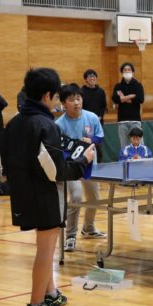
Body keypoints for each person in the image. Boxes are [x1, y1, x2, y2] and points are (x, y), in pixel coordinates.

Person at [2, 67, 95, 306]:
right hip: (43, 196)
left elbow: (6, 160)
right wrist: (84, 161)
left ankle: (50, 292)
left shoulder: (14, 123)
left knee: (44, 246)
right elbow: (56, 171)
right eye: (54, 96)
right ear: (46, 96)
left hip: (22, 193)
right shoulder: (45, 125)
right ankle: (36, 304)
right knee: (46, 252)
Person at [56, 84, 105, 252]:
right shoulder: (59, 125)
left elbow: (100, 137)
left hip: (89, 165)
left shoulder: (92, 117)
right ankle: (70, 236)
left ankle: (89, 228)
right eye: (71, 100)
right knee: (76, 197)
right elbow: (59, 150)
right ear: (64, 103)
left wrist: (91, 140)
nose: (76, 102)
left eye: (78, 98)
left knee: (94, 198)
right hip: (71, 168)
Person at [112, 62, 145, 148]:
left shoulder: (138, 85)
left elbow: (140, 99)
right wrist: (131, 96)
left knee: (139, 145)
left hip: (135, 120)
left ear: (132, 71)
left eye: (129, 69)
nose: (127, 71)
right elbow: (115, 99)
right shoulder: (118, 86)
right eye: (125, 70)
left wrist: (123, 98)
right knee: (124, 147)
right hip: (122, 121)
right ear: (122, 72)